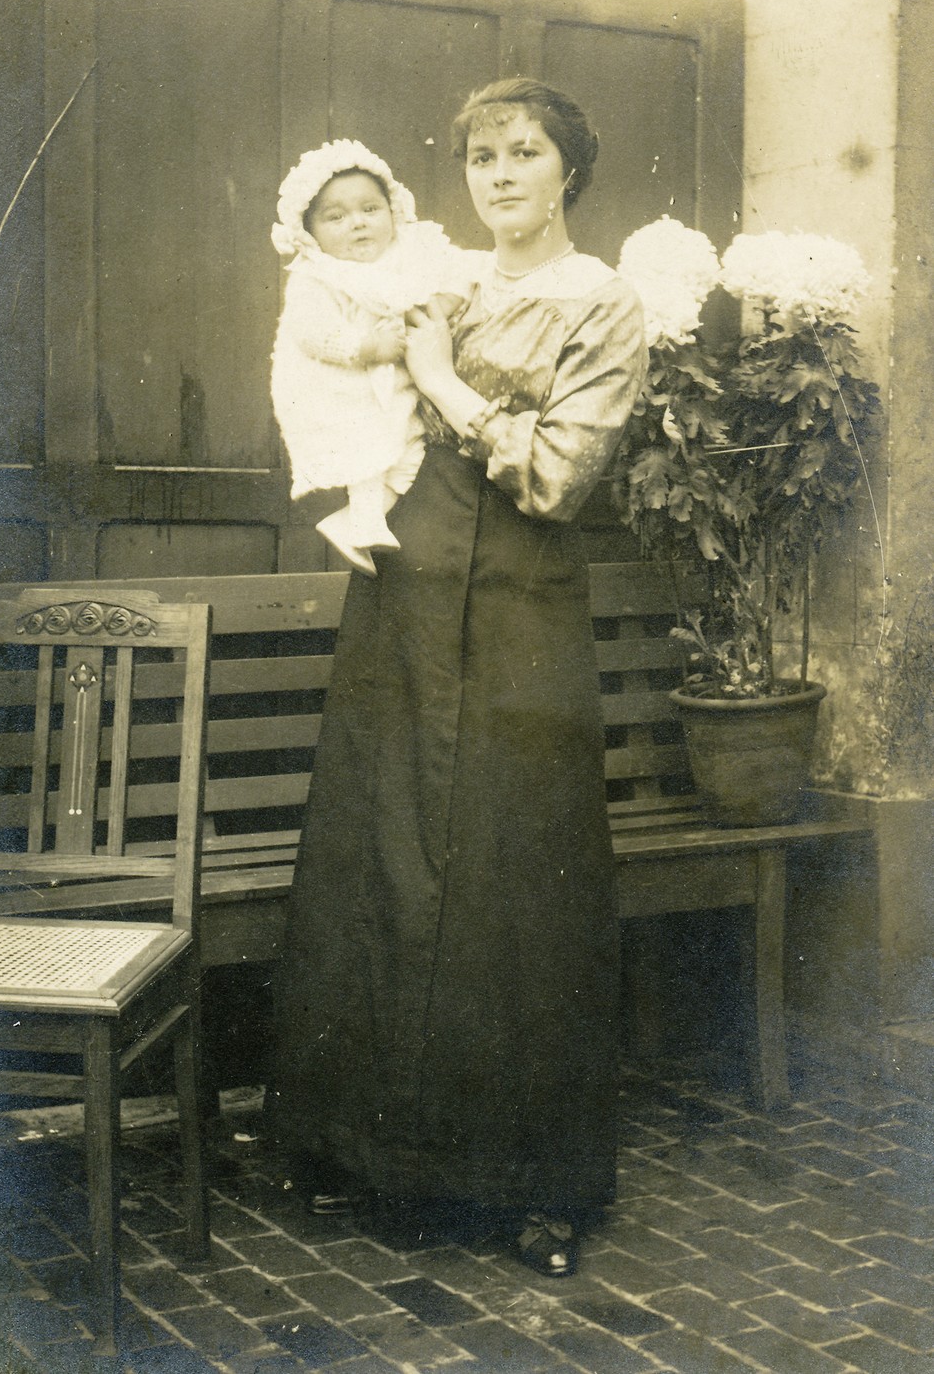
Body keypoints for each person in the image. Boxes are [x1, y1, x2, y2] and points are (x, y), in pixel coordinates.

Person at [269, 79, 648, 1278]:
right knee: (385, 853)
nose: (500, 176)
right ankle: (371, 1156)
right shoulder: (436, 279)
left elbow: (561, 478)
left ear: (568, 170)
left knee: (512, 878)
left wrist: (440, 381)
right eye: (483, 157)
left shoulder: (604, 305)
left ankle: (536, 1184)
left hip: (523, 606)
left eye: (525, 153)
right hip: (409, 593)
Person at [269, 138, 474, 574]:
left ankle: (355, 522)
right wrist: (365, 347)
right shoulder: (318, 275)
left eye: (370, 209)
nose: (358, 223)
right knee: (366, 449)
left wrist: (442, 304)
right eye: (336, 217)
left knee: (411, 450)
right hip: (342, 383)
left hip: (396, 385)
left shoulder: (411, 251)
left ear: (393, 210)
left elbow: (461, 272)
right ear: (310, 232)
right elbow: (311, 333)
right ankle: (363, 518)